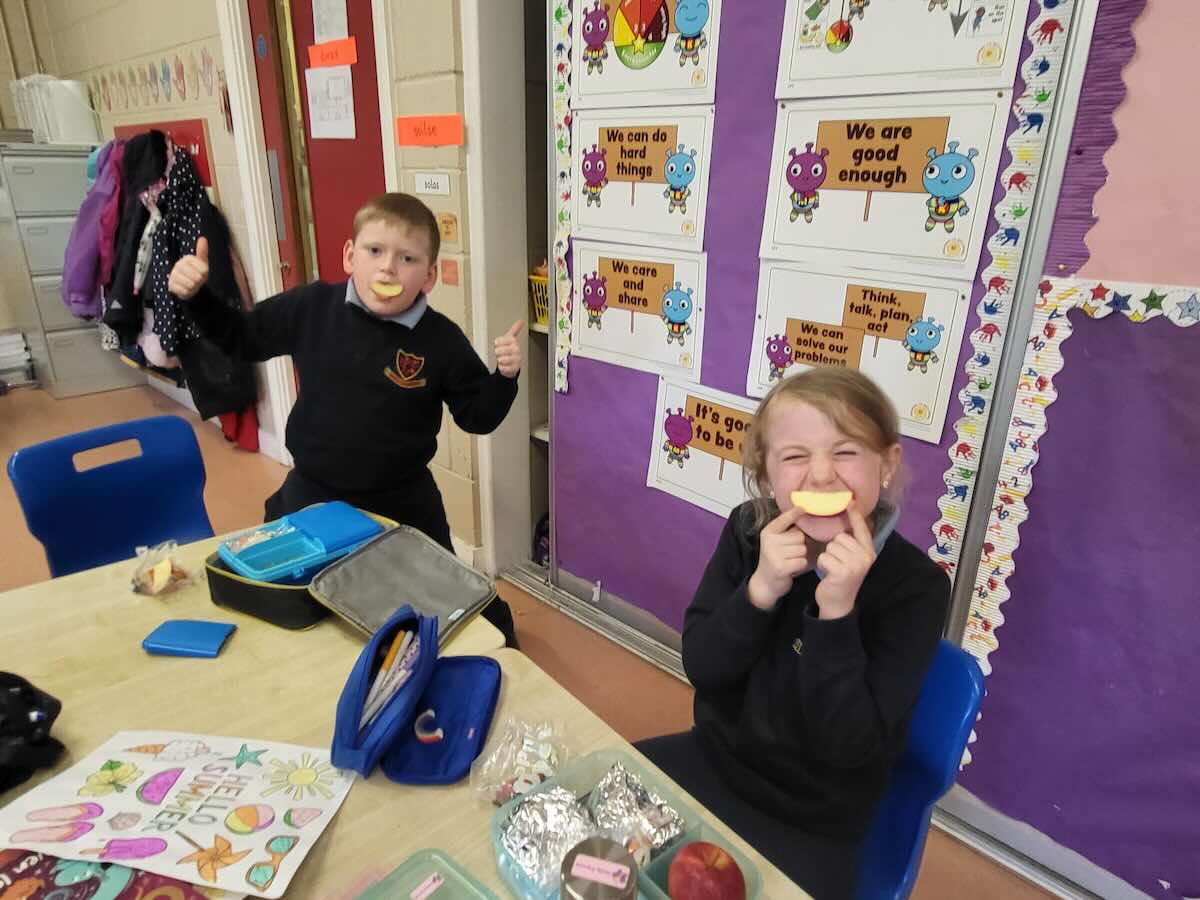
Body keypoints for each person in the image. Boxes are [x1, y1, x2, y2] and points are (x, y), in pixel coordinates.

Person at [636, 368, 950, 898]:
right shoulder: (746, 532)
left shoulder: (915, 588)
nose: (822, 475)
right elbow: (705, 669)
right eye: (796, 456)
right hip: (715, 763)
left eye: (845, 451)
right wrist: (758, 591)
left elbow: (847, 746)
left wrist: (836, 614)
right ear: (766, 475)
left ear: (887, 464)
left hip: (815, 818)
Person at [167, 192, 523, 646]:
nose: (388, 268)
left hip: (404, 499)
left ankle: (498, 652)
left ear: (429, 276)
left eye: (407, 258)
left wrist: (504, 378)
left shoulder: (441, 340)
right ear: (350, 256)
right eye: (375, 251)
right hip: (313, 490)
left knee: (463, 610)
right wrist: (198, 298)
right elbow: (242, 338)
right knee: (286, 603)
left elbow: (477, 416)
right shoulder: (312, 306)